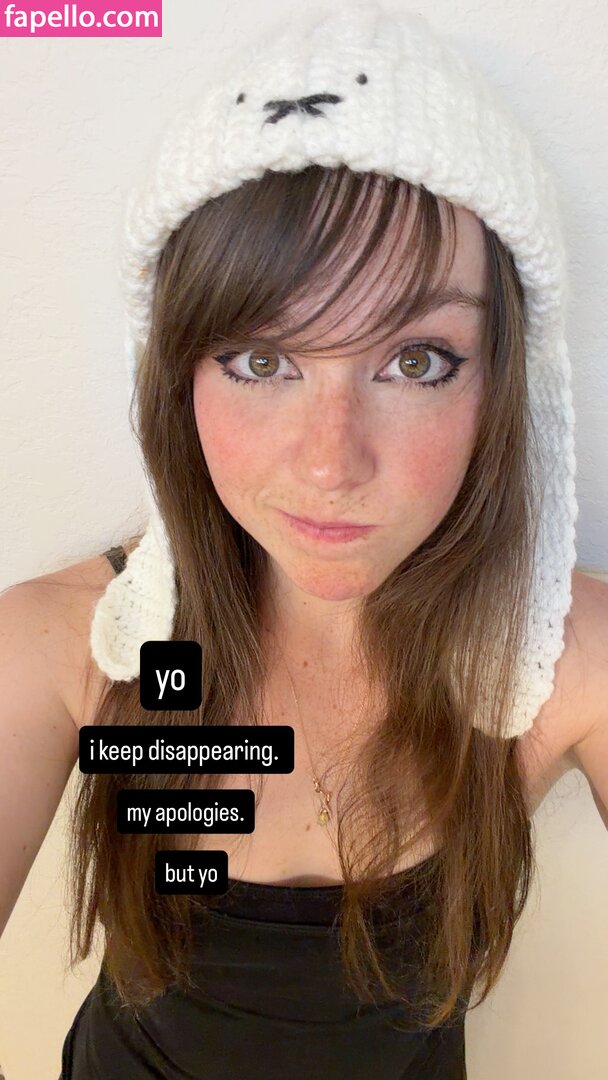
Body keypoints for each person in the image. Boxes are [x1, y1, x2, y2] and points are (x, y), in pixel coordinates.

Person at [1, 4, 607, 1079]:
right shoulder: (72, 652)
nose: (331, 464)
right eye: (260, 359)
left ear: (505, 380)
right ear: (176, 374)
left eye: (415, 361)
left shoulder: (551, 665)